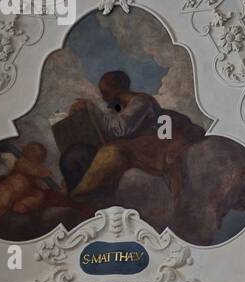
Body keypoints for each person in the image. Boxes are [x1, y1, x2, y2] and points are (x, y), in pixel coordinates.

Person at [68, 71, 203, 199]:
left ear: (117, 90)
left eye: (106, 93)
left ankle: (77, 195)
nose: (104, 98)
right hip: (138, 146)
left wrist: (91, 109)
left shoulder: (142, 101)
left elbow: (120, 129)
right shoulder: (119, 107)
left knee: (111, 152)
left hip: (153, 146)